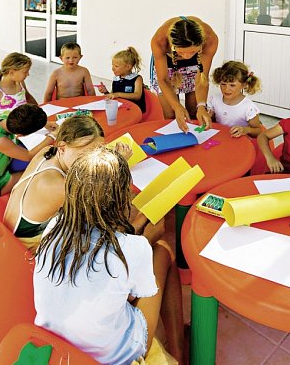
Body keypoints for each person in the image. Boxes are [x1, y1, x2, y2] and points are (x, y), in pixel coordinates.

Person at [33, 147, 184, 364]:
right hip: (113, 355)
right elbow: (133, 294)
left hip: (56, 341)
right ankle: (179, 353)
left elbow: (100, 249)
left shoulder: (55, 226)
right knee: (163, 252)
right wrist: (147, 241)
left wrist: (137, 227)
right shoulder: (135, 248)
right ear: (122, 201)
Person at [3, 115, 105, 251]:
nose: (92, 161)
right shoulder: (60, 187)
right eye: (84, 156)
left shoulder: (47, 151)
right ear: (62, 148)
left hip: (9, 231)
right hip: (25, 247)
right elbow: (101, 205)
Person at [0, 104, 57, 197]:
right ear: (21, 135)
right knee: (39, 171)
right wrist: (52, 137)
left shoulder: (5, 117)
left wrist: (45, 123)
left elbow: (25, 118)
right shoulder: (0, 141)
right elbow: (29, 156)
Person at [150, 15, 219, 132]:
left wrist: (202, 105)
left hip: (196, 61)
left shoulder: (210, 39)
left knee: (194, 111)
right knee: (171, 114)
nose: (186, 56)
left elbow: (202, 77)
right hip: (168, 62)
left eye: (192, 51)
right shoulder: (159, 40)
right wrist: (177, 106)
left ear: (201, 44)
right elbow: (163, 80)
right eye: (181, 52)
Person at [0, 52, 38, 133]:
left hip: (23, 127)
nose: (28, 74)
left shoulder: (20, 83)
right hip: (5, 133)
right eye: (25, 72)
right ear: (11, 72)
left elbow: (28, 97)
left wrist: (39, 112)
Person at [208, 60, 262, 138]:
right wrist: (208, 117)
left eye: (232, 85)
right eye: (223, 84)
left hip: (238, 141)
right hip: (220, 138)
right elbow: (212, 120)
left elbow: (258, 131)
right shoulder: (215, 99)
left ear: (244, 84)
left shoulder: (249, 107)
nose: (226, 89)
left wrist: (246, 130)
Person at [95, 46, 146, 113]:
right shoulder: (116, 79)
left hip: (134, 110)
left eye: (116, 66)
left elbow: (137, 96)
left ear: (128, 67)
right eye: (112, 65)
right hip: (120, 109)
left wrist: (117, 94)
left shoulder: (137, 78)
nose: (113, 68)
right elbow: (113, 95)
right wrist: (106, 92)